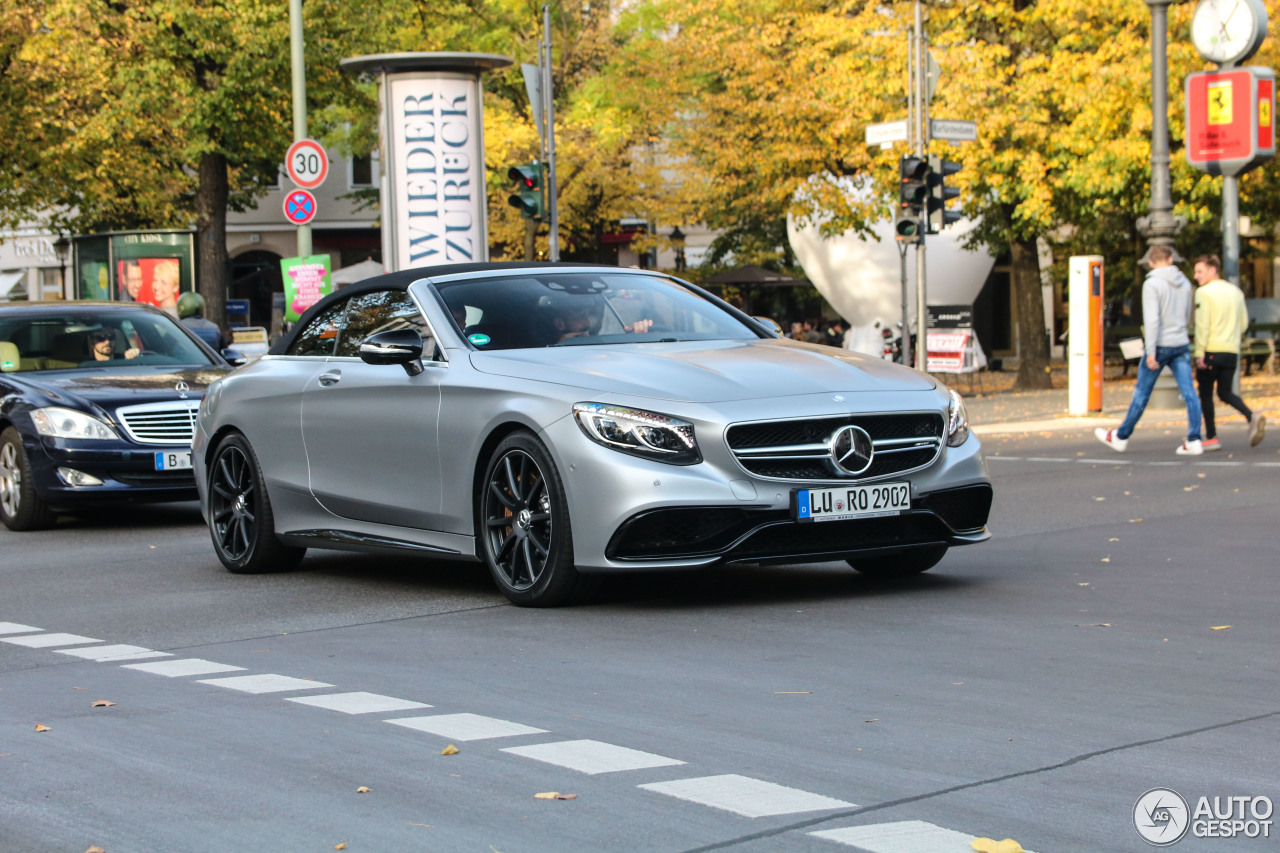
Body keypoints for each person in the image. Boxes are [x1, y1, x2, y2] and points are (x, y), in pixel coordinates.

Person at [1095, 244, 1203, 455]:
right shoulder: (1185, 283)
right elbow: (1189, 313)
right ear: (1171, 259)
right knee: (1189, 392)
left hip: (1160, 344)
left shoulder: (1152, 284)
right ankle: (1194, 438)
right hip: (1180, 341)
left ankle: (1121, 436)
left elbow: (1152, 320)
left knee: (1142, 393)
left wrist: (1151, 350)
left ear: (1151, 262)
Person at [1192, 254, 1265, 450]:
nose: (1196, 276)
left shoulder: (1203, 292)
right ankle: (1251, 416)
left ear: (1212, 270)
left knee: (1206, 394)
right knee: (1224, 392)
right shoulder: (1236, 292)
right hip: (1231, 351)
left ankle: (1212, 437)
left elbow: (1202, 325)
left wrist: (1200, 353)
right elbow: (1243, 324)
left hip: (1210, 350)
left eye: (1200, 271)